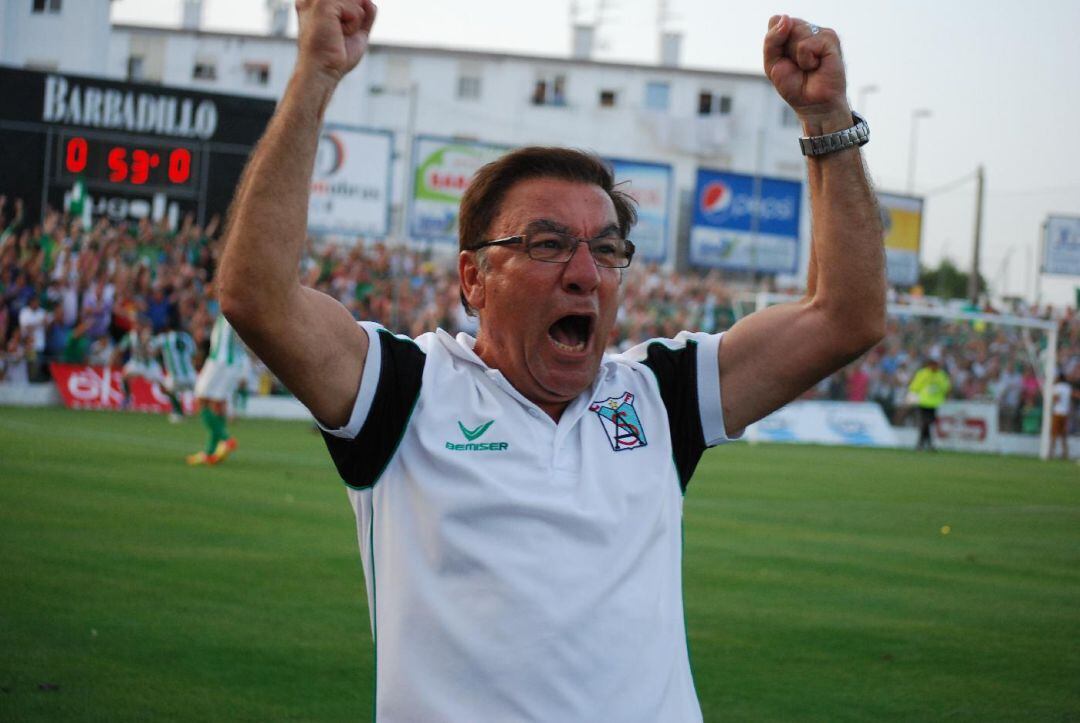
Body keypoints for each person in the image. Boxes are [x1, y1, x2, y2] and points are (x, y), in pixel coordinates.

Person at [216, 2, 884, 719]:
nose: (584, 272)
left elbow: (846, 316)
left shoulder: (663, 396)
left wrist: (826, 121)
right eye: (544, 243)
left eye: (605, 250)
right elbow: (256, 294)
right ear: (472, 279)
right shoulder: (404, 392)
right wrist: (315, 75)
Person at [186, 304, 246, 465]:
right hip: (231, 362)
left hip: (220, 362)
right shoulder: (229, 312)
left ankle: (226, 439)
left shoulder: (234, 307)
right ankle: (209, 452)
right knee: (215, 405)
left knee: (200, 400)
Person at [152, 318, 198, 423]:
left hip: (175, 378)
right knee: (204, 394)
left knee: (164, 388)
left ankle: (178, 412)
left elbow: (151, 347)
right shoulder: (187, 338)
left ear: (168, 328)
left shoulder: (164, 338)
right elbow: (194, 355)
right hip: (191, 376)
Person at [909, 355, 951, 451]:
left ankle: (922, 444)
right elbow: (914, 386)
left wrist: (946, 396)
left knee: (927, 423)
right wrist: (913, 397)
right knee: (926, 423)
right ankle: (927, 444)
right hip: (923, 401)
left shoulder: (941, 374)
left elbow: (946, 387)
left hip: (934, 403)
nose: (933, 366)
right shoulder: (923, 373)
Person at [1049, 371, 1074, 459]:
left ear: (1059, 378)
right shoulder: (1068, 387)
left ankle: (1050, 453)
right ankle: (1065, 453)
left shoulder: (1057, 387)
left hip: (1057, 412)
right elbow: (1070, 400)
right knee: (1064, 435)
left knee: (1054, 434)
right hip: (1065, 413)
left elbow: (1056, 399)